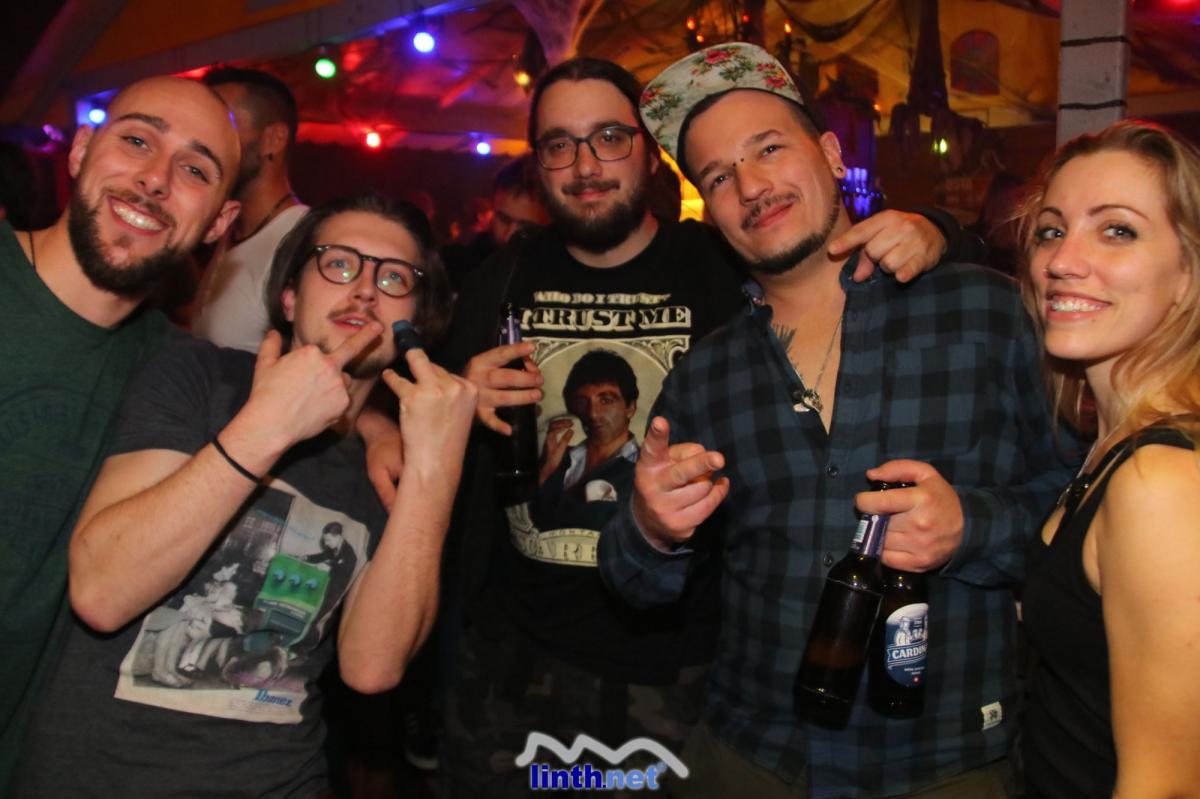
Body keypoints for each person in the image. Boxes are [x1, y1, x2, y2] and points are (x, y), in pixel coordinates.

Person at [439, 54, 967, 797]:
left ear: (650, 155)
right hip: (515, 657)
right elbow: (413, 409)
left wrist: (938, 227)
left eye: (609, 137)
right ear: (538, 164)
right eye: (559, 144)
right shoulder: (500, 276)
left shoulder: (715, 259)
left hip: (680, 666)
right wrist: (447, 410)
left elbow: (824, 254)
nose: (585, 165)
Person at [601, 43, 1072, 797]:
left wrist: (971, 528)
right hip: (752, 757)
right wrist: (651, 529)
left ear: (828, 153)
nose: (750, 186)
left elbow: (1082, 509)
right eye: (718, 177)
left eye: (768, 149)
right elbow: (634, 583)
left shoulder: (985, 312)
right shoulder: (706, 374)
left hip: (942, 761)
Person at [12, 193, 476, 797]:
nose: (365, 290)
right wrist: (268, 429)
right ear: (290, 297)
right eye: (338, 263)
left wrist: (436, 466)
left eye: (393, 278)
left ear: (418, 319)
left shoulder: (392, 465)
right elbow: (101, 593)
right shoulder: (199, 379)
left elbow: (373, 668)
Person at [0, 75, 242, 791]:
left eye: (194, 171)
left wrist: (376, 424)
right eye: (137, 140)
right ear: (80, 150)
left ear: (220, 222)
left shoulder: (180, 376)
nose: (155, 179)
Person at [1017, 120, 1200, 798]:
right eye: (1052, 230)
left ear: (1187, 273)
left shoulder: (1160, 479)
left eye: (1117, 230)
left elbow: (1167, 787)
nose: (1062, 261)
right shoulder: (1111, 445)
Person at [191, 67, 307, 352]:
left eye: (223, 125)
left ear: (273, 140)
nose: (205, 142)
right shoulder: (230, 229)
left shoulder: (302, 239)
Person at [442, 155, 549, 291]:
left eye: (527, 226)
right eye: (503, 219)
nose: (508, 236)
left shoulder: (561, 278)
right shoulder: (457, 265)